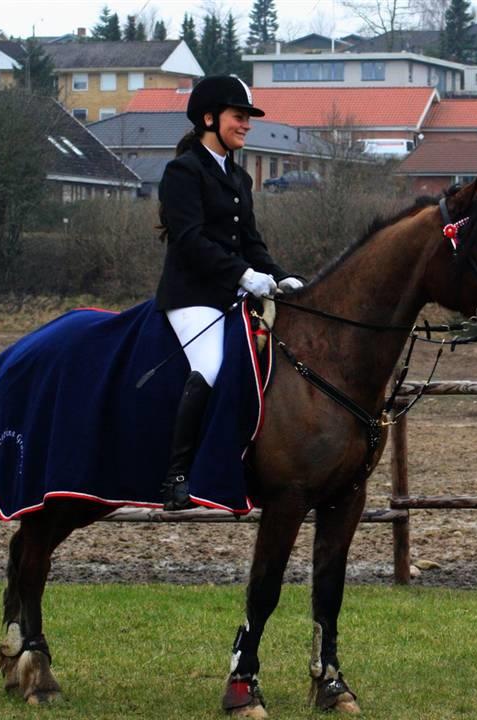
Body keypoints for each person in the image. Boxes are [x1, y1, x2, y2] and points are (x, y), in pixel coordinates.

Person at [156, 75, 304, 511]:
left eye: (247, 118)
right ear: (209, 118)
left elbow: (252, 243)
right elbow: (189, 239)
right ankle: (177, 477)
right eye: (238, 117)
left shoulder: (239, 178)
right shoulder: (182, 171)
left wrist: (280, 276)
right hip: (192, 295)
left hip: (233, 293)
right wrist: (242, 275)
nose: (246, 125)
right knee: (212, 364)